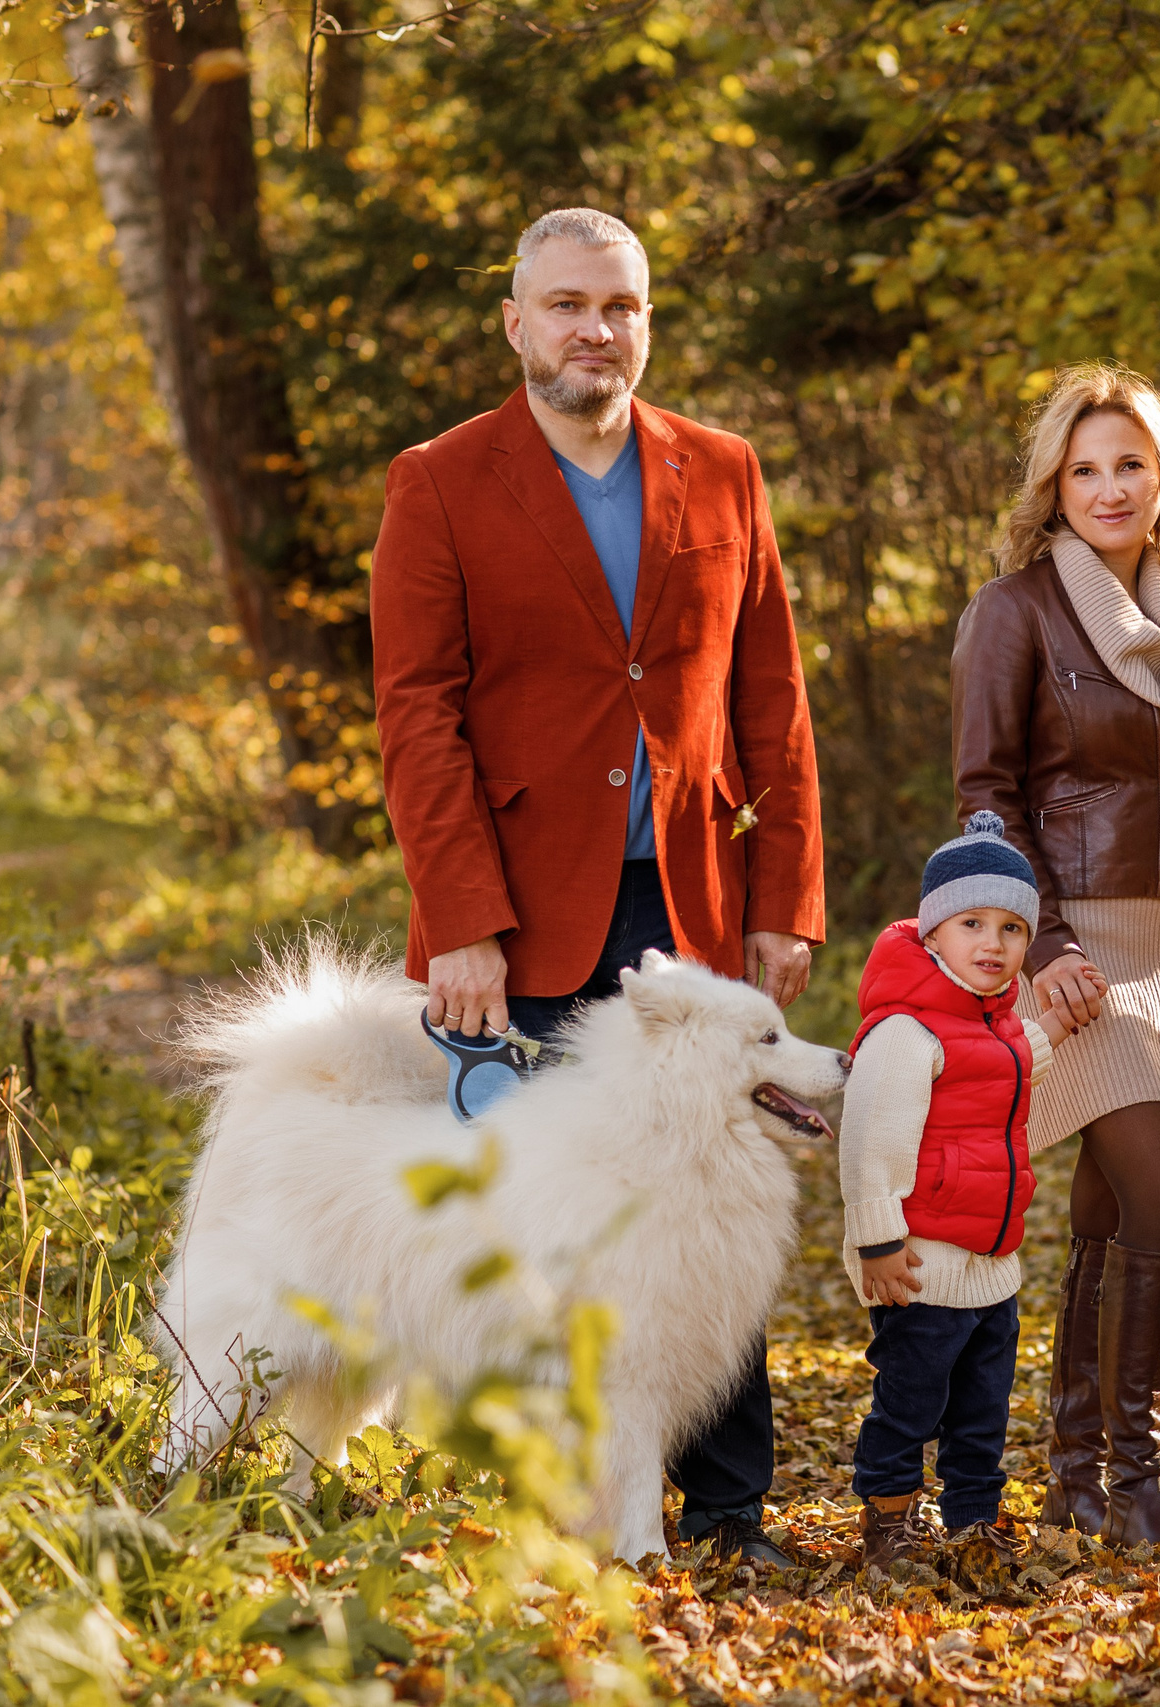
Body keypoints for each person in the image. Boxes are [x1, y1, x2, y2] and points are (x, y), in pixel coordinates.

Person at [370, 206, 823, 1566]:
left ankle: (734, 1508)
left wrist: (786, 893)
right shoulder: (442, 480)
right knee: (547, 1226)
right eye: (566, 305)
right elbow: (418, 713)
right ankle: (557, 1509)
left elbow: (774, 700)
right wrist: (461, 925)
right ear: (516, 322)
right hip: (520, 919)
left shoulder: (724, 470)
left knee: (718, 1200)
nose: (594, 331)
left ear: (646, 320)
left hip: (691, 909)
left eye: (618, 307)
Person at [951, 363, 1160, 1546]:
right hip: (1073, 948)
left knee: (1114, 1212)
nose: (1109, 487)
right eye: (1085, 468)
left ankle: (1081, 1474)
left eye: (1130, 463)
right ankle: (1137, 1473)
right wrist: (1042, 947)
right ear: (1053, 486)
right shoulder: (1012, 611)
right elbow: (983, 798)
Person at [839, 812, 1095, 1570]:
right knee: (910, 1403)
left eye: (1014, 928)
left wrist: (1053, 1024)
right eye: (972, 922)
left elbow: (1010, 1064)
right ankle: (889, 1517)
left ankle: (971, 1520)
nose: (995, 942)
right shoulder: (904, 1033)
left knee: (981, 1410)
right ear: (931, 936)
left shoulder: (994, 1025)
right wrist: (879, 1243)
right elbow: (869, 1145)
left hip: (991, 1269)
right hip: (920, 1266)